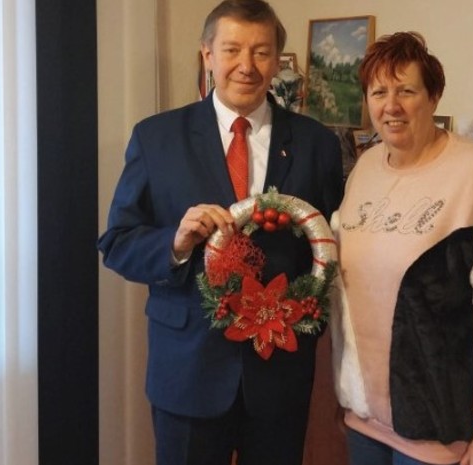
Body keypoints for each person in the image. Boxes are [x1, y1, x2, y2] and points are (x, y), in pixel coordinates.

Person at [97, 1, 344, 464]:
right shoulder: (156, 138)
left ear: (277, 59)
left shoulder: (317, 144)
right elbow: (117, 243)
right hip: (187, 371)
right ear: (207, 54)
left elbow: (334, 249)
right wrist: (174, 243)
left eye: (261, 52)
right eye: (232, 50)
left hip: (281, 374)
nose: (246, 66)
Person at [332, 32, 473, 465]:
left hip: (439, 428)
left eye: (406, 91)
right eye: (379, 93)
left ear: (433, 96)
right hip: (363, 419)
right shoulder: (365, 169)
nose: (391, 106)